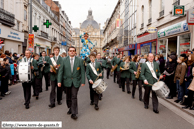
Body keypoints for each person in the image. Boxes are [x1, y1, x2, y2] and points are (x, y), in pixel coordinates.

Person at [58, 46, 85, 120]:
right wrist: (59, 81)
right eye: (70, 51)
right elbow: (60, 71)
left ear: (75, 52)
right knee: (68, 96)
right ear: (68, 52)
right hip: (66, 81)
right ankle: (70, 107)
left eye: (73, 51)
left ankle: (74, 113)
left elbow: (82, 71)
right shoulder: (63, 60)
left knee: (74, 96)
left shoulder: (80, 60)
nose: (72, 52)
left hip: (76, 81)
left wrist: (83, 81)